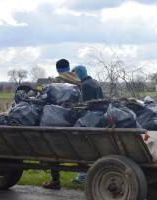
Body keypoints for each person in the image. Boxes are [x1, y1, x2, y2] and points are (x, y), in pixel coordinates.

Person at [42, 59, 80, 190]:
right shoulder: (79, 79)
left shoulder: (57, 81)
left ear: (58, 70)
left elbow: (45, 95)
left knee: (52, 147)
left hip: (59, 118)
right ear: (69, 67)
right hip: (76, 119)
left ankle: (55, 180)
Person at [71, 65, 104, 184]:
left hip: (89, 120)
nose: (74, 76)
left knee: (83, 148)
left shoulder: (85, 85)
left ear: (80, 73)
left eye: (75, 73)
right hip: (99, 118)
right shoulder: (95, 82)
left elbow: (86, 105)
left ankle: (83, 176)